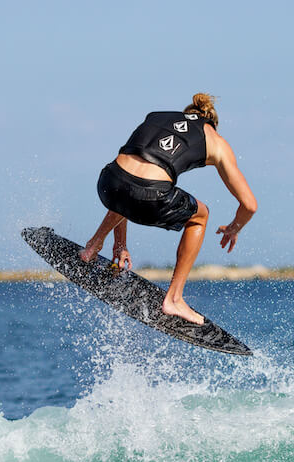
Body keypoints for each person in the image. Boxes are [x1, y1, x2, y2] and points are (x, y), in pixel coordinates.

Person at [79, 93, 257, 325]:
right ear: (212, 124)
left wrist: (120, 245)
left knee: (131, 184)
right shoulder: (216, 142)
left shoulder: (156, 116)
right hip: (149, 196)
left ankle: (92, 246)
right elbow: (249, 205)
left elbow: (129, 182)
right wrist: (234, 228)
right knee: (200, 216)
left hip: (108, 182)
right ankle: (174, 299)